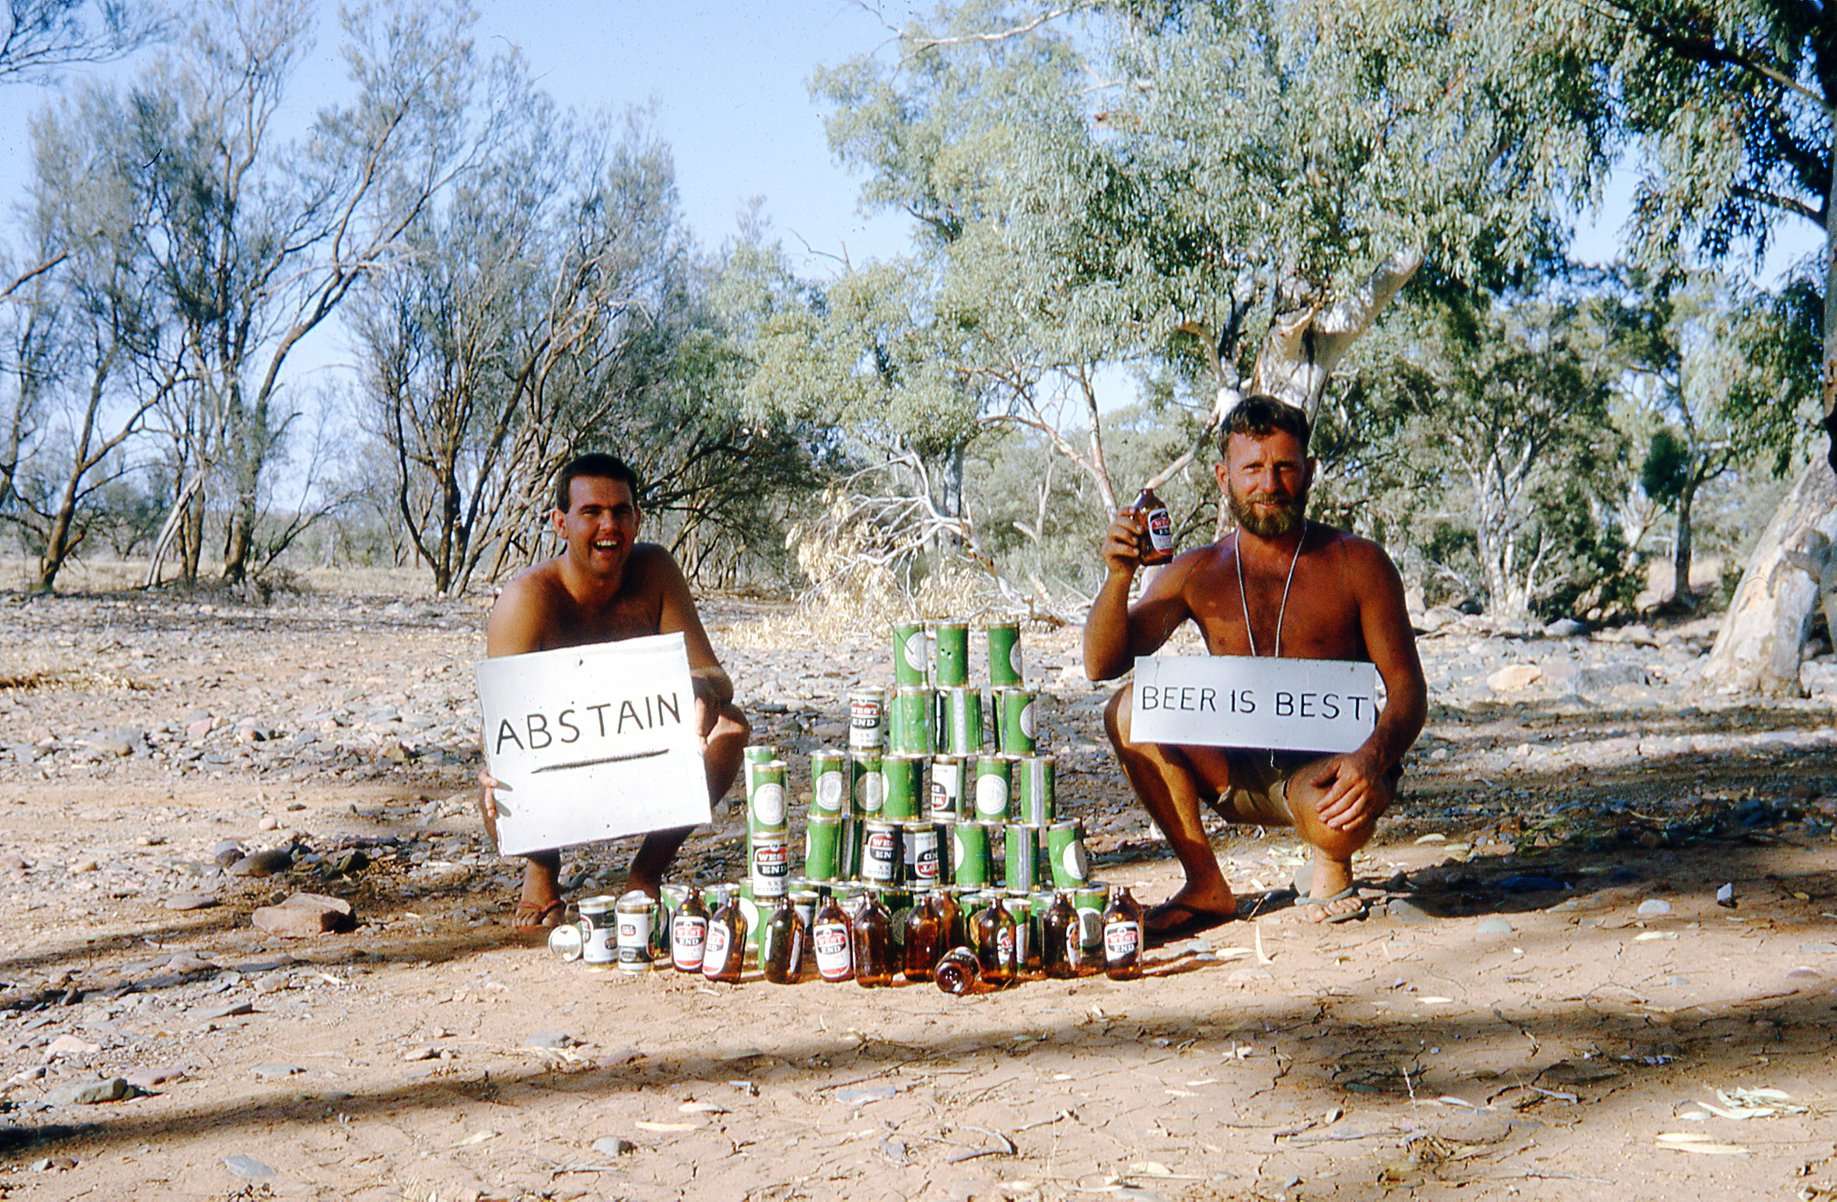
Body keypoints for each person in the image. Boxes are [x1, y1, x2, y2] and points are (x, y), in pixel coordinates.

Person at [1083, 396, 1426, 935]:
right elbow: (1102, 663)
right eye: (1252, 469)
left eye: (1285, 467)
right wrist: (1119, 576)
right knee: (1128, 709)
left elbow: (1407, 687)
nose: (1270, 483)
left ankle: (1332, 867)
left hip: (1326, 769)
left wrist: (1372, 759)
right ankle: (1204, 884)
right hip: (1234, 767)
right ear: (1224, 477)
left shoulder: (1358, 563)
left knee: (1334, 816)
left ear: (1309, 472)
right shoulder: (1198, 569)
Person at [478, 452, 750, 929]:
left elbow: (716, 676)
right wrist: (494, 775)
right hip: (561, 756)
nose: (609, 525)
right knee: (497, 782)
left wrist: (700, 691)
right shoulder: (526, 600)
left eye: (621, 512)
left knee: (730, 727)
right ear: (560, 523)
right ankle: (541, 871)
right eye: (592, 513)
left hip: (638, 747)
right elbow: (504, 728)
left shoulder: (656, 572)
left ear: (638, 519)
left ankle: (645, 873)